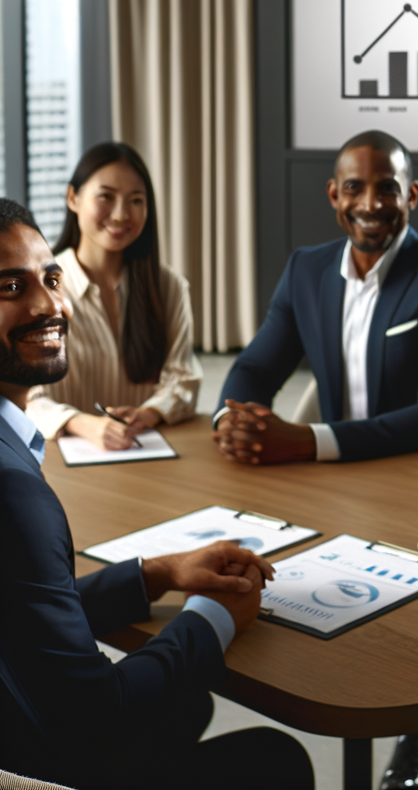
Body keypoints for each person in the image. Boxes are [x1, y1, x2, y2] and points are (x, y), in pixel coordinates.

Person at [0, 198, 314, 790]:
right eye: (11, 286)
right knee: (277, 759)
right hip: (36, 763)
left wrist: (158, 573)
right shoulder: (13, 491)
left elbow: (27, 614)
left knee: (187, 704)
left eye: (49, 278)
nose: (48, 305)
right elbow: (96, 716)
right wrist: (213, 617)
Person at [213, 129, 418, 465]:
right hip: (329, 475)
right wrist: (231, 421)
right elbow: (256, 369)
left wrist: (307, 440)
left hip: (410, 470)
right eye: (354, 187)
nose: (370, 204)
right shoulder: (305, 271)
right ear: (333, 195)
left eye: (388, 188)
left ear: (411, 196)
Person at [27, 142, 201, 449]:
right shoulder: (38, 290)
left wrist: (147, 414)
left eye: (136, 200)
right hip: (62, 460)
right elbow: (23, 396)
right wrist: (83, 424)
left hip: (147, 452)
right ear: (73, 198)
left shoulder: (168, 286)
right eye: (106, 197)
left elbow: (184, 379)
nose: (121, 215)